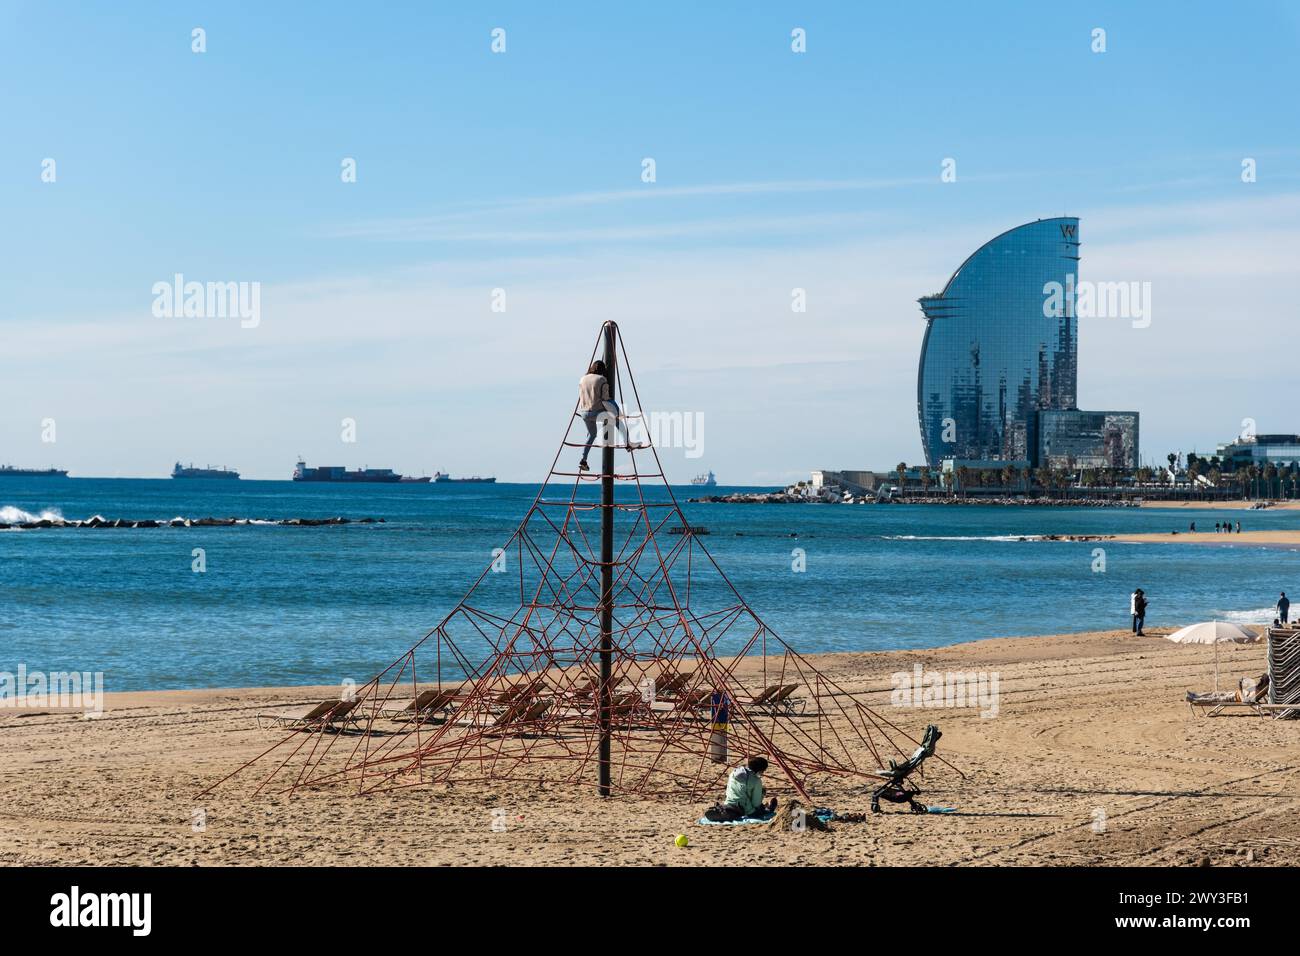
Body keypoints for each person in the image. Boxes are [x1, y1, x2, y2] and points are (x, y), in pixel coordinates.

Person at [575, 360, 637, 471]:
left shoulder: (582, 378)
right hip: (597, 411)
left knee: (591, 435)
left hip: (584, 412)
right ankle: (627, 443)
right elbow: (605, 399)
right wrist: (618, 412)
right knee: (618, 421)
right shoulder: (602, 379)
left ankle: (583, 460)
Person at [718, 756, 778, 821]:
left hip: (728, 804)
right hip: (745, 810)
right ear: (760, 770)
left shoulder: (733, 773)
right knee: (762, 811)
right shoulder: (756, 780)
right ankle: (768, 809)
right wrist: (762, 794)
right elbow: (755, 803)